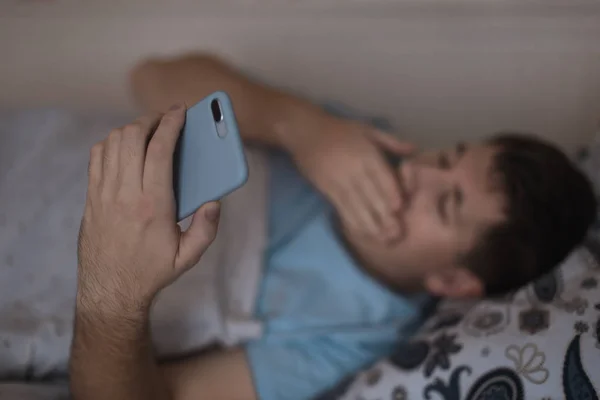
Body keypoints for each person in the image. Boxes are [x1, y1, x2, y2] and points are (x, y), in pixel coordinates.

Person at [70, 53, 597, 400]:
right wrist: (302, 126)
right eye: (446, 157)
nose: (414, 175)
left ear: (454, 282)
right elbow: (149, 78)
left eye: (446, 205)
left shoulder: (349, 339)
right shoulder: (355, 143)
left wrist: (109, 291)